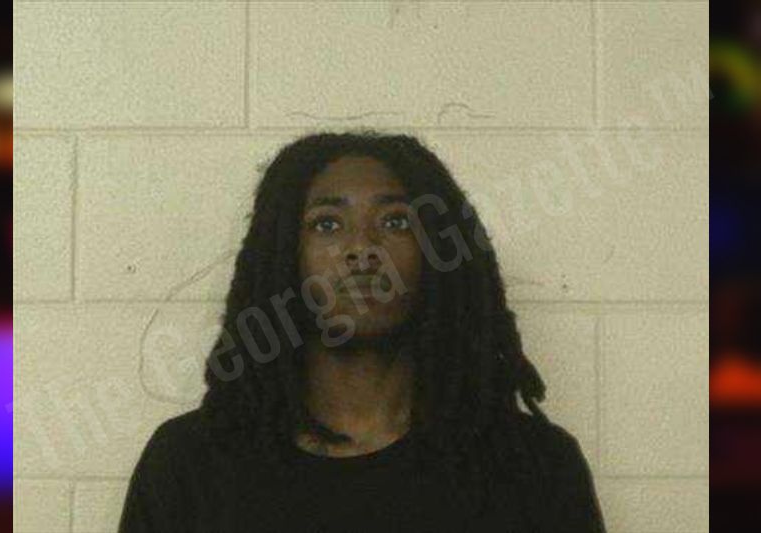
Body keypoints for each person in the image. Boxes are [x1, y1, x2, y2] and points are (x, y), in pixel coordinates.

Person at [118, 130, 607, 533]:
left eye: (395, 222)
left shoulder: (532, 467)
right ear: (283, 255)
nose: (362, 247)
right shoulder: (191, 466)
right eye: (327, 224)